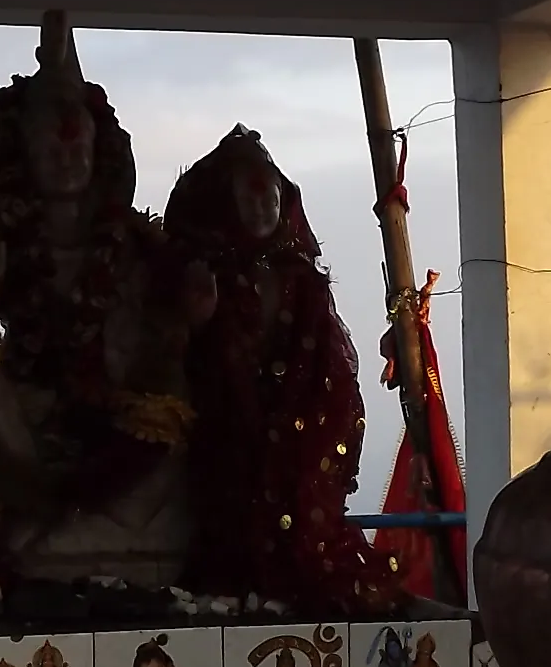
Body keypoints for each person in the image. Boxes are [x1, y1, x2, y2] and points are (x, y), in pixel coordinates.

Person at [164, 126, 402, 616]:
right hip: (227, 423)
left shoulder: (300, 278)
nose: (261, 209)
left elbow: (328, 364)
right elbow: (180, 358)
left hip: (294, 425)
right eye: (247, 198)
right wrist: (196, 320)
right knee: (228, 509)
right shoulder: (208, 275)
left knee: (299, 516)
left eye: (269, 196)